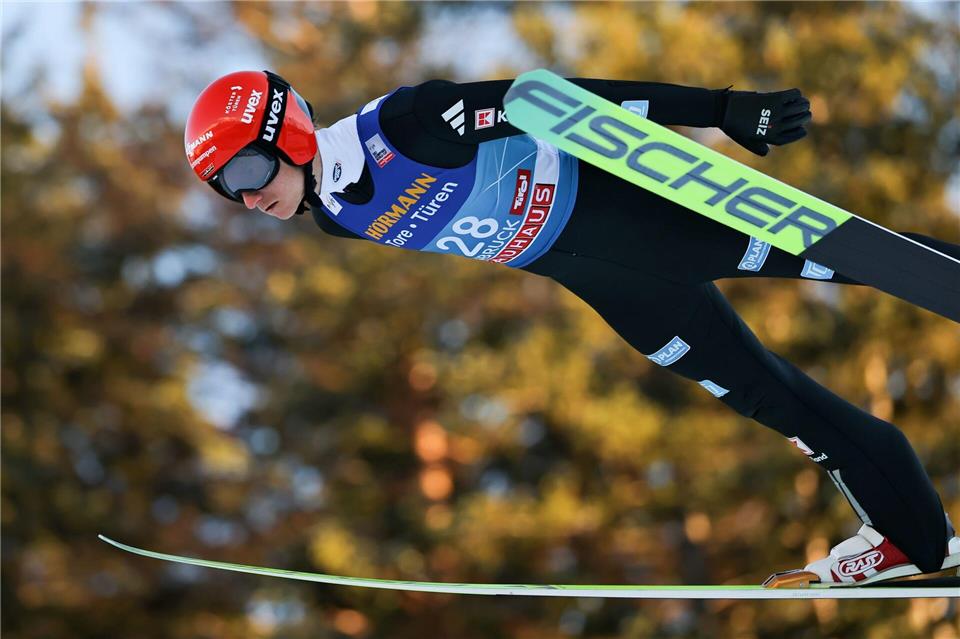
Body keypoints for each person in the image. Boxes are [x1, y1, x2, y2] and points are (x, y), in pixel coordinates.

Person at [183, 70, 959, 587]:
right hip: (613, 287)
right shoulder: (335, 220)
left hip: (645, 219)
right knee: (767, 395)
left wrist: (722, 111)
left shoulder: (409, 126)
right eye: (227, 191)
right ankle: (912, 534)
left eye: (247, 175)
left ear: (286, 134)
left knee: (865, 259)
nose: (247, 200)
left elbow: (556, 101)